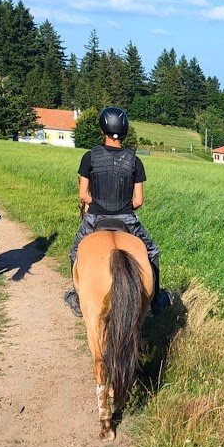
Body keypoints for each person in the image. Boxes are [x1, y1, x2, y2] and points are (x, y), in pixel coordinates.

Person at [64, 106, 172, 317]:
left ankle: (77, 298)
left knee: (75, 251)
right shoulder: (135, 160)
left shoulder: (90, 157)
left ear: (103, 129)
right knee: (152, 252)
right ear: (124, 131)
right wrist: (122, 207)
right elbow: (139, 200)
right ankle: (156, 300)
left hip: (95, 217)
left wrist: (99, 205)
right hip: (126, 218)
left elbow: (84, 195)